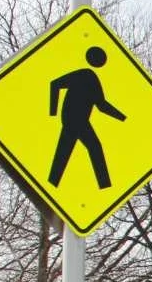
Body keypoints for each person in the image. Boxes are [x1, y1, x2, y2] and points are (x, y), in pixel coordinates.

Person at [48, 46, 126, 189]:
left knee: (64, 154)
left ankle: (52, 184)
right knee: (93, 147)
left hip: (77, 121)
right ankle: (105, 186)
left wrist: (123, 118)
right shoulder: (85, 74)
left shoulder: (91, 78)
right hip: (74, 120)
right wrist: (52, 112)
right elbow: (55, 84)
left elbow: (101, 105)